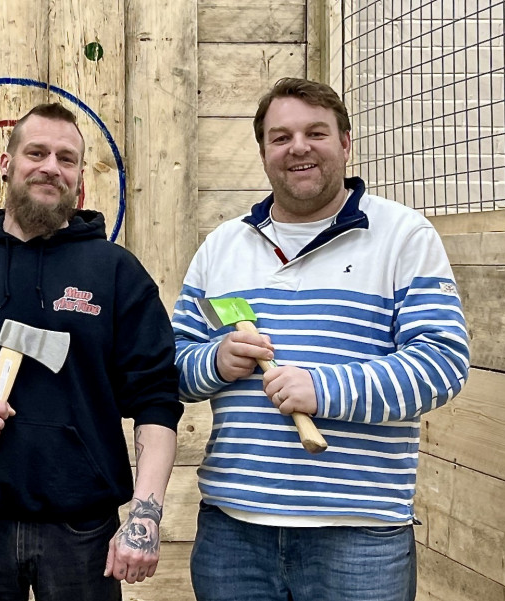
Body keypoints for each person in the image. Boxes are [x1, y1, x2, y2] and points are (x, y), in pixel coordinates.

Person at [173, 77, 470, 601]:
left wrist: (323, 389)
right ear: (264, 151)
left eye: (316, 132)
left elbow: (442, 363)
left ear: (346, 142)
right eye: (281, 137)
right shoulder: (222, 247)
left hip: (359, 536)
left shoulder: (403, 235)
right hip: (233, 530)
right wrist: (216, 362)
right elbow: (173, 366)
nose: (299, 148)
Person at [0, 102, 183, 600]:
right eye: (36, 152)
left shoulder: (116, 272)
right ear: (5, 165)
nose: (51, 166)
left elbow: (156, 399)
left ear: (79, 178)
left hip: (84, 528)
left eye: (67, 158)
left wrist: (145, 513)